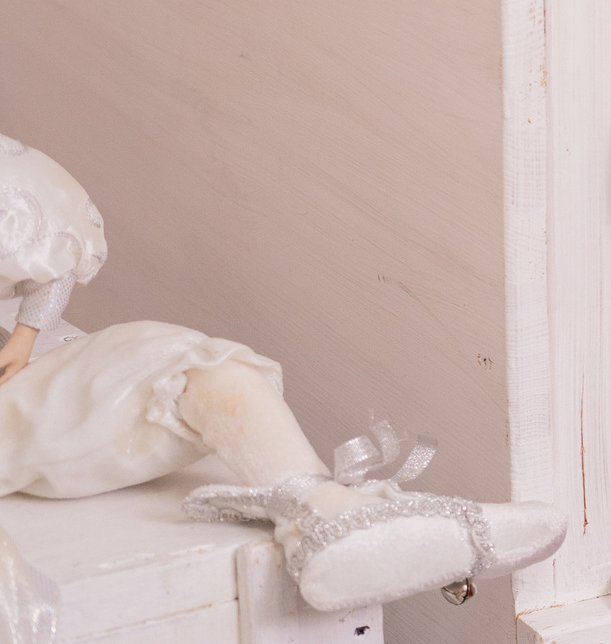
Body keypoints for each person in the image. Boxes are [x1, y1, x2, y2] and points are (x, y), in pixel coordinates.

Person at [0, 133, 563, 609]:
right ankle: (341, 530)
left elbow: (45, 231)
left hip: (27, 369)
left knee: (185, 358)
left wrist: (25, 336)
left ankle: (327, 517)